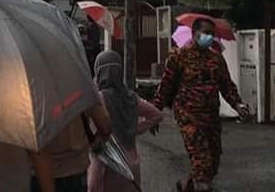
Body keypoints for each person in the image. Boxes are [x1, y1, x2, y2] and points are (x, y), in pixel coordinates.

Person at [154, 18, 249, 192]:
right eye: (205, 33)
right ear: (194, 33)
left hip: (211, 117)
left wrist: (238, 105)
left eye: (212, 34)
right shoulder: (179, 56)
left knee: (212, 163)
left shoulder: (216, 59)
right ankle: (200, 187)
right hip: (189, 116)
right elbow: (165, 86)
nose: (209, 37)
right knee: (202, 163)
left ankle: (187, 187)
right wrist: (155, 113)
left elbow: (227, 86)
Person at [88, 50, 163, 192]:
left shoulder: (98, 99)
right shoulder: (131, 97)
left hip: (108, 167)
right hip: (132, 168)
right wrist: (134, 128)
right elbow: (157, 115)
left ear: (99, 72)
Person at [32, 102, 111, 192]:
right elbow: (104, 126)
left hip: (36, 174)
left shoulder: (26, 95)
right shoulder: (78, 89)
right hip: (74, 170)